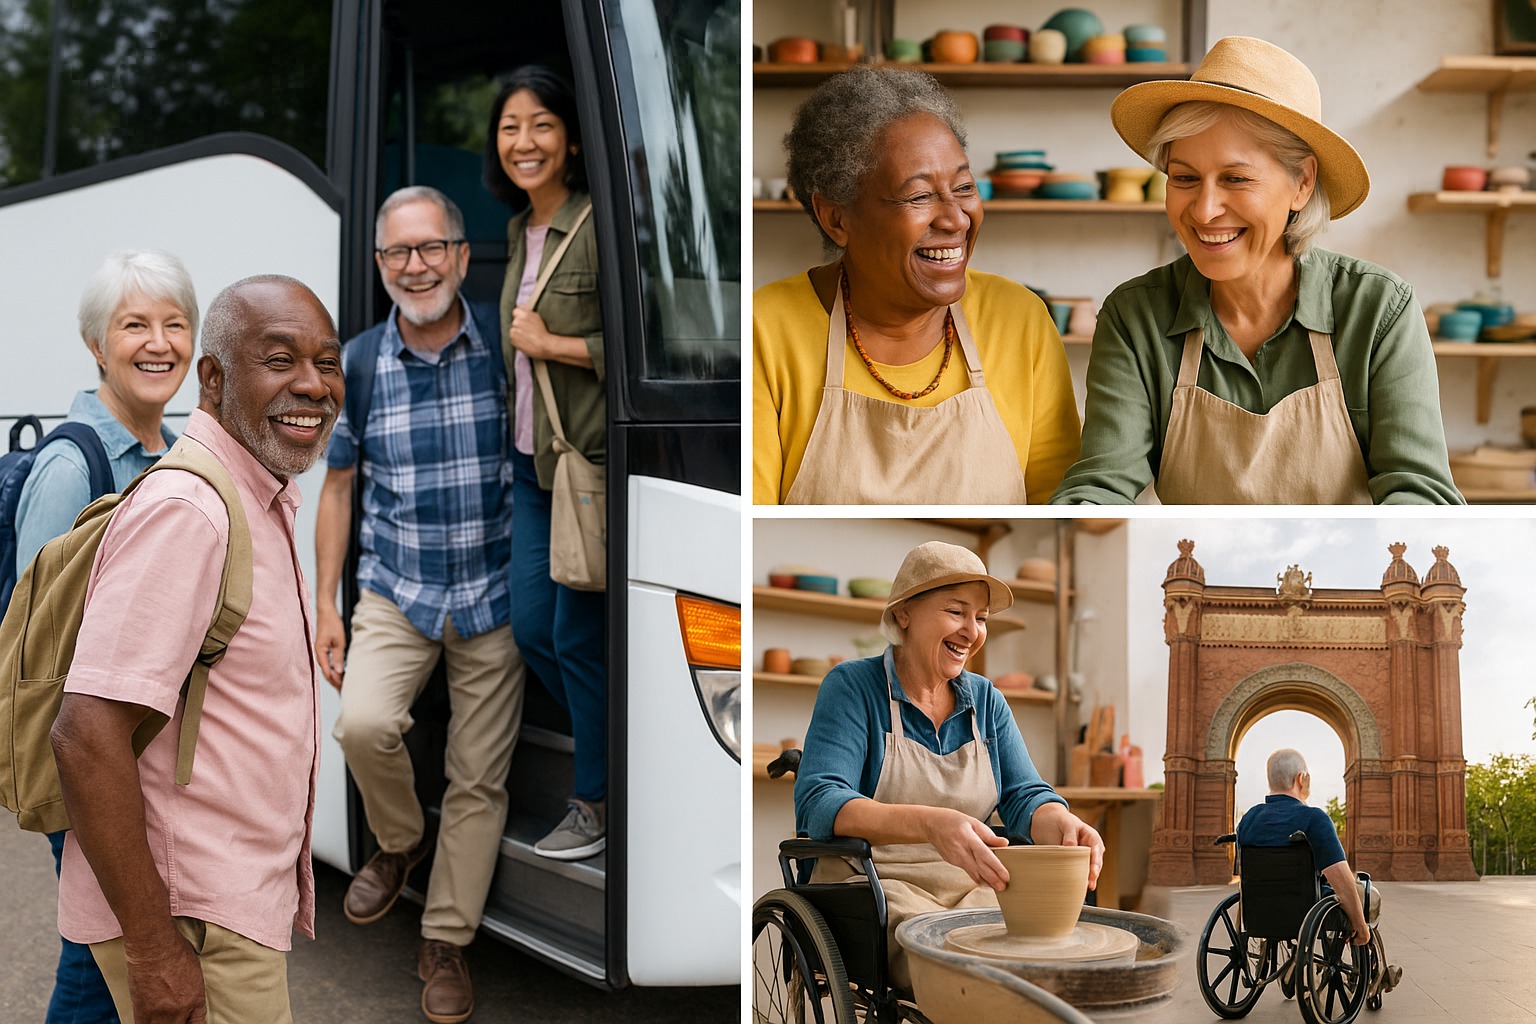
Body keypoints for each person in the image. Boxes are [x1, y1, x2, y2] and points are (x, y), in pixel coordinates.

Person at [49, 274, 342, 1023]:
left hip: (225, 904)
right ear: (213, 378)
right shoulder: (192, 510)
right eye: (280, 360)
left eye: (328, 362)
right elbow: (86, 734)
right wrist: (154, 949)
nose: (312, 385)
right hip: (195, 917)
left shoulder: (255, 489)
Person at [1051, 36, 1462, 505]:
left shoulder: (1377, 310)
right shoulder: (1135, 316)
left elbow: (1420, 495)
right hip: (1198, 575)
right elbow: (1102, 482)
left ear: (1302, 184)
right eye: (1184, 178)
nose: (1204, 211)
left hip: (1346, 576)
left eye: (1236, 178)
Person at [315, 185, 525, 1024]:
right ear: (380, 266)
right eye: (399, 253)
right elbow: (336, 489)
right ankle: (400, 844)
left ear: (463, 257)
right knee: (361, 724)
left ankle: (443, 943)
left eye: (431, 248)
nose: (416, 266)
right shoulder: (358, 363)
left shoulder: (509, 352)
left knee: (478, 779)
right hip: (395, 590)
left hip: (493, 592)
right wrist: (329, 609)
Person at [753, 66, 1081, 505]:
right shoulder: (765, 330)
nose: (956, 219)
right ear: (837, 218)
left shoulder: (1019, 318)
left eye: (964, 187)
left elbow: (1058, 502)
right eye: (920, 196)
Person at [16, 248, 198, 1024]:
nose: (159, 342)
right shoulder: (71, 465)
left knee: (112, 959)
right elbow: (35, 643)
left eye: (175, 322)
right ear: (98, 343)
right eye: (134, 325)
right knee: (100, 964)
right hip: (95, 761)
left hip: (144, 757)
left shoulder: (169, 453)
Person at [794, 541, 1105, 989]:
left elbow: (1023, 795)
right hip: (876, 884)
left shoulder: (986, 700)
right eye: (957, 611)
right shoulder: (853, 687)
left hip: (971, 885)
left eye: (980, 618)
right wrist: (931, 824)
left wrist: (1061, 822)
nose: (972, 631)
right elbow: (821, 803)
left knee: (1048, 956)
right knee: (970, 970)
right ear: (904, 613)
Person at [483, 66, 608, 860]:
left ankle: (594, 800)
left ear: (568, 137)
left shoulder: (597, 224)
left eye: (540, 125)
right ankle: (619, 740)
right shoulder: (517, 231)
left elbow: (639, 352)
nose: (523, 142)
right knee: (532, 630)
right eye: (508, 128)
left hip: (583, 470)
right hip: (533, 473)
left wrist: (552, 344)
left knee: (575, 638)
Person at [1236, 749, 1401, 997]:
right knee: (1367, 895)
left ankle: (1296, 961)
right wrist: (1361, 927)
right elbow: (1341, 879)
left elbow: (1246, 878)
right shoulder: (1313, 819)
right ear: (1301, 779)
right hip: (1308, 909)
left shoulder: (1248, 820)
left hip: (1261, 912)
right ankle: (1374, 970)